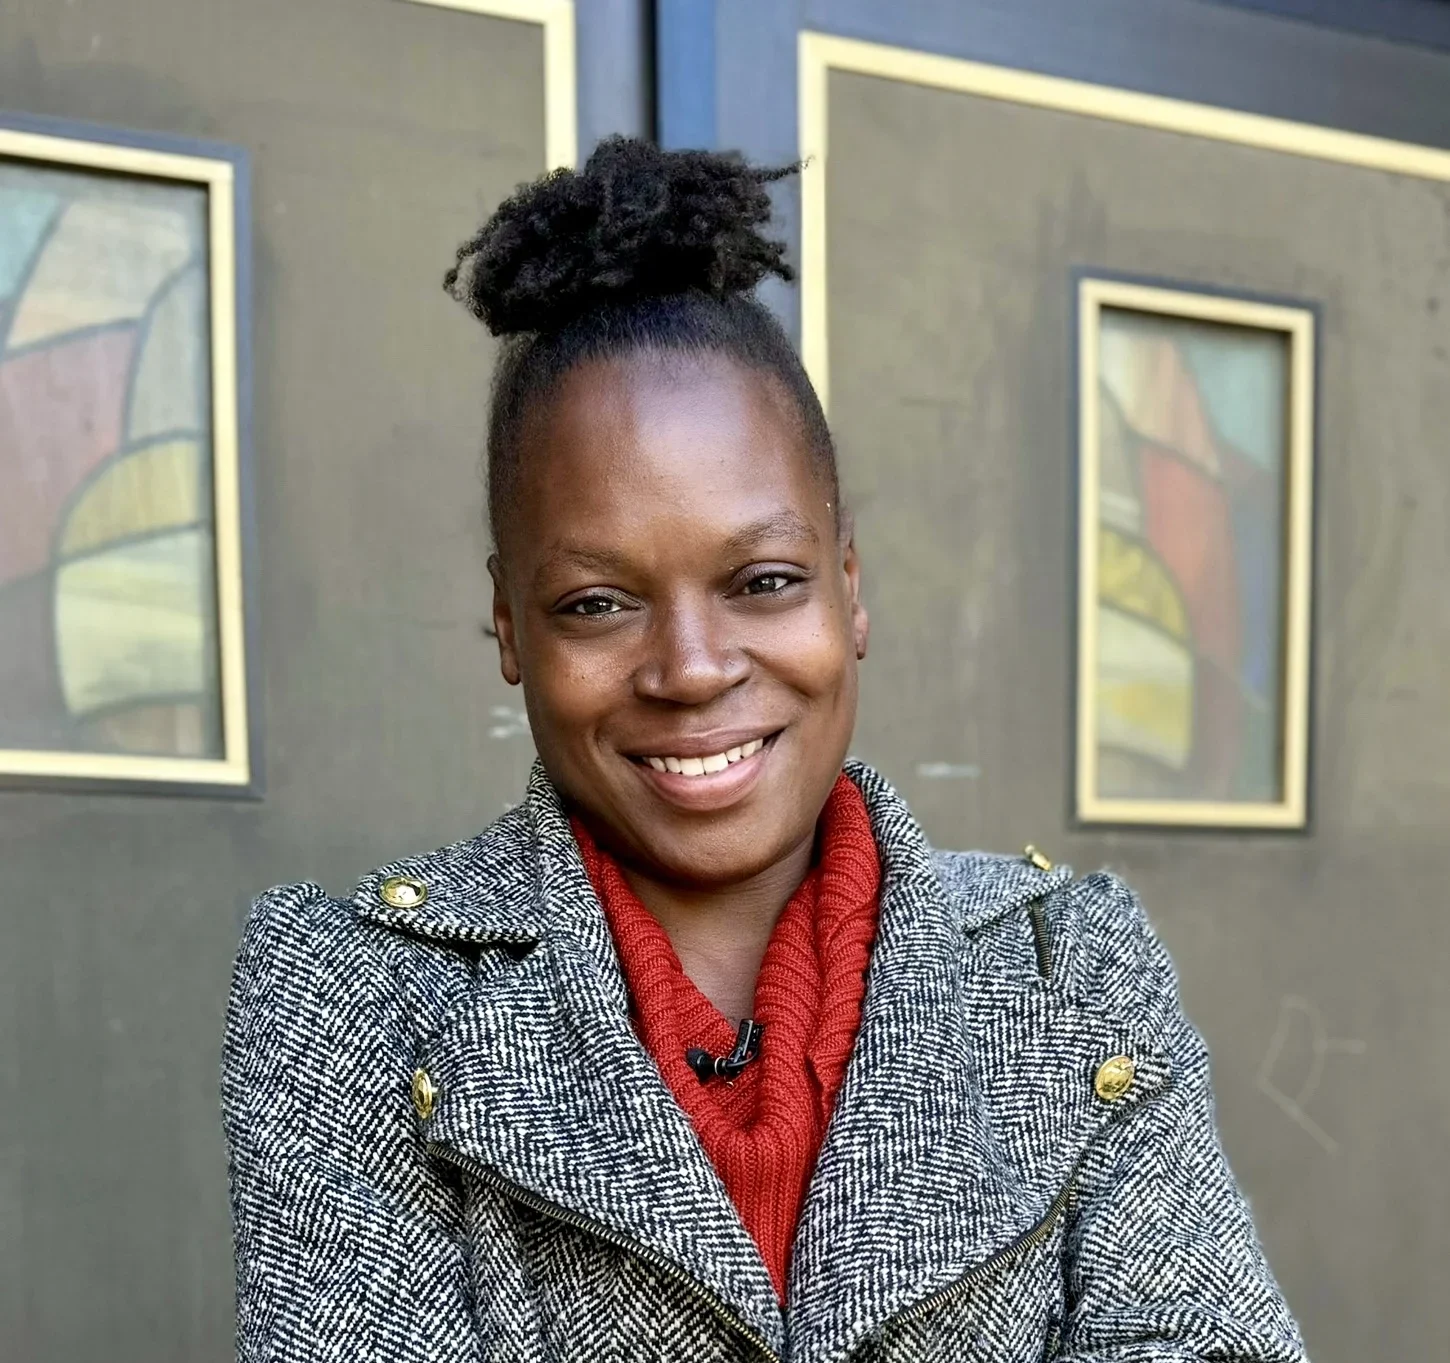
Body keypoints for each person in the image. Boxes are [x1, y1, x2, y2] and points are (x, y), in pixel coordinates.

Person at [221, 137, 1306, 1363]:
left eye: (764, 580)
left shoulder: (1073, 969)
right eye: (595, 603)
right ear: (509, 625)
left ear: (849, 591)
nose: (691, 667)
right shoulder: (357, 998)